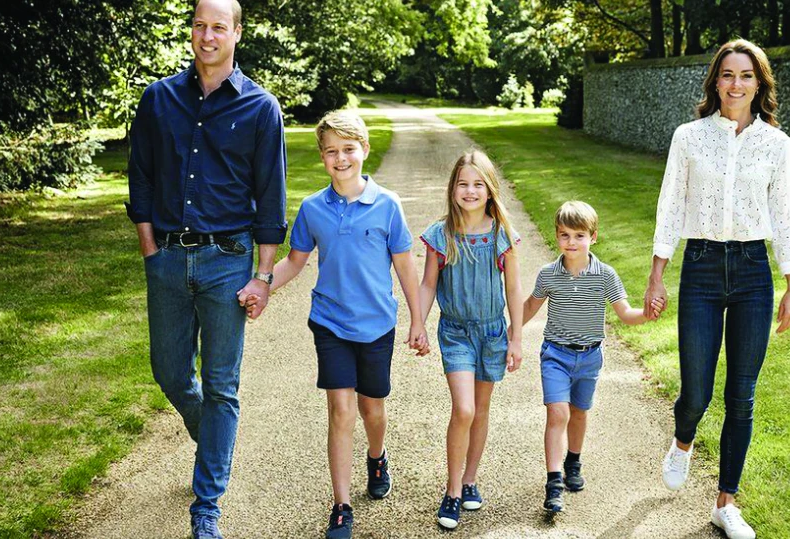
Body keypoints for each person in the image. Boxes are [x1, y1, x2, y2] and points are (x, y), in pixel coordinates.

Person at [125, 0, 286, 537]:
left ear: (237, 33)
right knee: (170, 372)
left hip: (229, 260)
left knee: (221, 385)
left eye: (219, 26)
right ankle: (214, 441)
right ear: (191, 31)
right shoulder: (159, 98)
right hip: (168, 258)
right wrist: (150, 249)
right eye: (199, 25)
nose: (208, 35)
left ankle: (207, 507)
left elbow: (271, 195)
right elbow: (141, 176)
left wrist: (263, 275)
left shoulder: (261, 107)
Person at [645, 39, 790, 539]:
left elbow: (786, 214)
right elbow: (671, 205)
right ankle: (683, 439)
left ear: (760, 84)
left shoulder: (776, 144)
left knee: (742, 395)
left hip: (754, 271)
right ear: (716, 81)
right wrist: (657, 273)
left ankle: (726, 503)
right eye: (728, 74)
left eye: (746, 75)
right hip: (702, 267)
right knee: (696, 392)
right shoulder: (689, 137)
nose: (737, 84)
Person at [249, 111, 426, 539]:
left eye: (349, 149)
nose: (341, 158)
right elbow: (295, 261)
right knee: (341, 411)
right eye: (331, 151)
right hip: (329, 322)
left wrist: (418, 320)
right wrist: (262, 285)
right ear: (322, 156)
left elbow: (405, 267)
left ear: (364, 150)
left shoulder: (388, 205)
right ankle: (342, 505)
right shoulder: (313, 208)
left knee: (372, 409)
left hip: (377, 324)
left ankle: (377, 456)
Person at [522, 201, 664, 513]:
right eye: (564, 235)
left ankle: (573, 462)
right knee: (557, 413)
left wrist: (646, 315)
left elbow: (624, 313)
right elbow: (530, 306)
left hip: (589, 358)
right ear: (557, 236)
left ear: (593, 237)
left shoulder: (605, 275)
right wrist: (510, 333)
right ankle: (553, 482)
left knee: (579, 412)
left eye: (579, 235)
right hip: (555, 355)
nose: (571, 242)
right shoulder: (548, 274)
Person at [417, 150, 524, 529]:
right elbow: (428, 284)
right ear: (453, 189)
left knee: (480, 409)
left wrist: (516, 337)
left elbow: (513, 289)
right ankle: (452, 491)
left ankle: (470, 479)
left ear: (490, 190)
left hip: (493, 333)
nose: (470, 190)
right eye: (463, 183)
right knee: (463, 409)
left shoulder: (501, 235)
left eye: (478, 184)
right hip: (456, 333)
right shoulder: (441, 235)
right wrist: (418, 323)